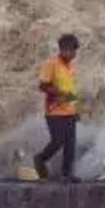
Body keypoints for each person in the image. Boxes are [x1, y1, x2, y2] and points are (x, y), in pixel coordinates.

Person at [34, 34, 80, 180]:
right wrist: (58, 93)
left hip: (69, 112)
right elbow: (43, 85)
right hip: (54, 112)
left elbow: (71, 91)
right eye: (71, 50)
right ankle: (40, 159)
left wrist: (76, 109)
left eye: (74, 51)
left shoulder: (71, 67)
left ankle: (67, 175)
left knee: (70, 146)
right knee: (57, 141)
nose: (73, 54)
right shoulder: (52, 64)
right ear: (62, 49)